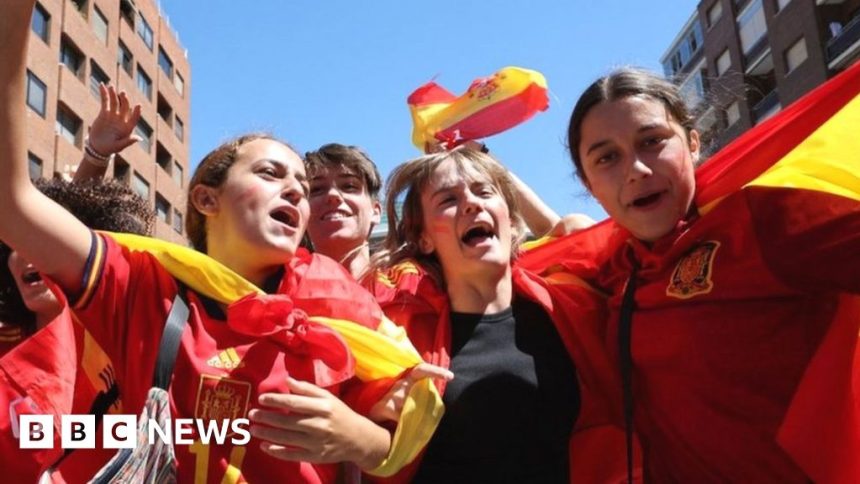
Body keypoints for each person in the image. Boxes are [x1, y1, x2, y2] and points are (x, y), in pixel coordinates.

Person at [0, 3, 437, 480]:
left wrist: (360, 438)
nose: (295, 189)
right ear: (206, 199)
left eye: (299, 183)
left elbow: (403, 444)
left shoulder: (339, 307)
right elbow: (12, 203)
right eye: (270, 173)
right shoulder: (143, 288)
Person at [565, 67, 860, 481]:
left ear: (693, 143)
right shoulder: (612, 269)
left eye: (651, 142)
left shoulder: (761, 219)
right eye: (606, 157)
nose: (636, 170)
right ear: (589, 183)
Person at [366, 147, 626, 483]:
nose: (472, 203)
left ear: (512, 220)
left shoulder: (569, 306)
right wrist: (372, 412)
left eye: (484, 191)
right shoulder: (400, 337)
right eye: (448, 200)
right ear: (424, 238)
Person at [304, 143, 383, 279]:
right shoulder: (280, 292)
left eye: (349, 186)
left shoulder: (411, 289)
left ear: (375, 211)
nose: (332, 195)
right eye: (316, 189)